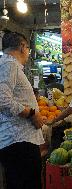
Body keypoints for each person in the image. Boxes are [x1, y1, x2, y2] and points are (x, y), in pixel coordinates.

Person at [0, 32, 44, 189]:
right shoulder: (9, 64)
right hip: (18, 142)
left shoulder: (9, 65)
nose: (28, 53)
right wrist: (32, 114)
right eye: (28, 49)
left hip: (20, 141)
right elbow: (3, 100)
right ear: (22, 47)